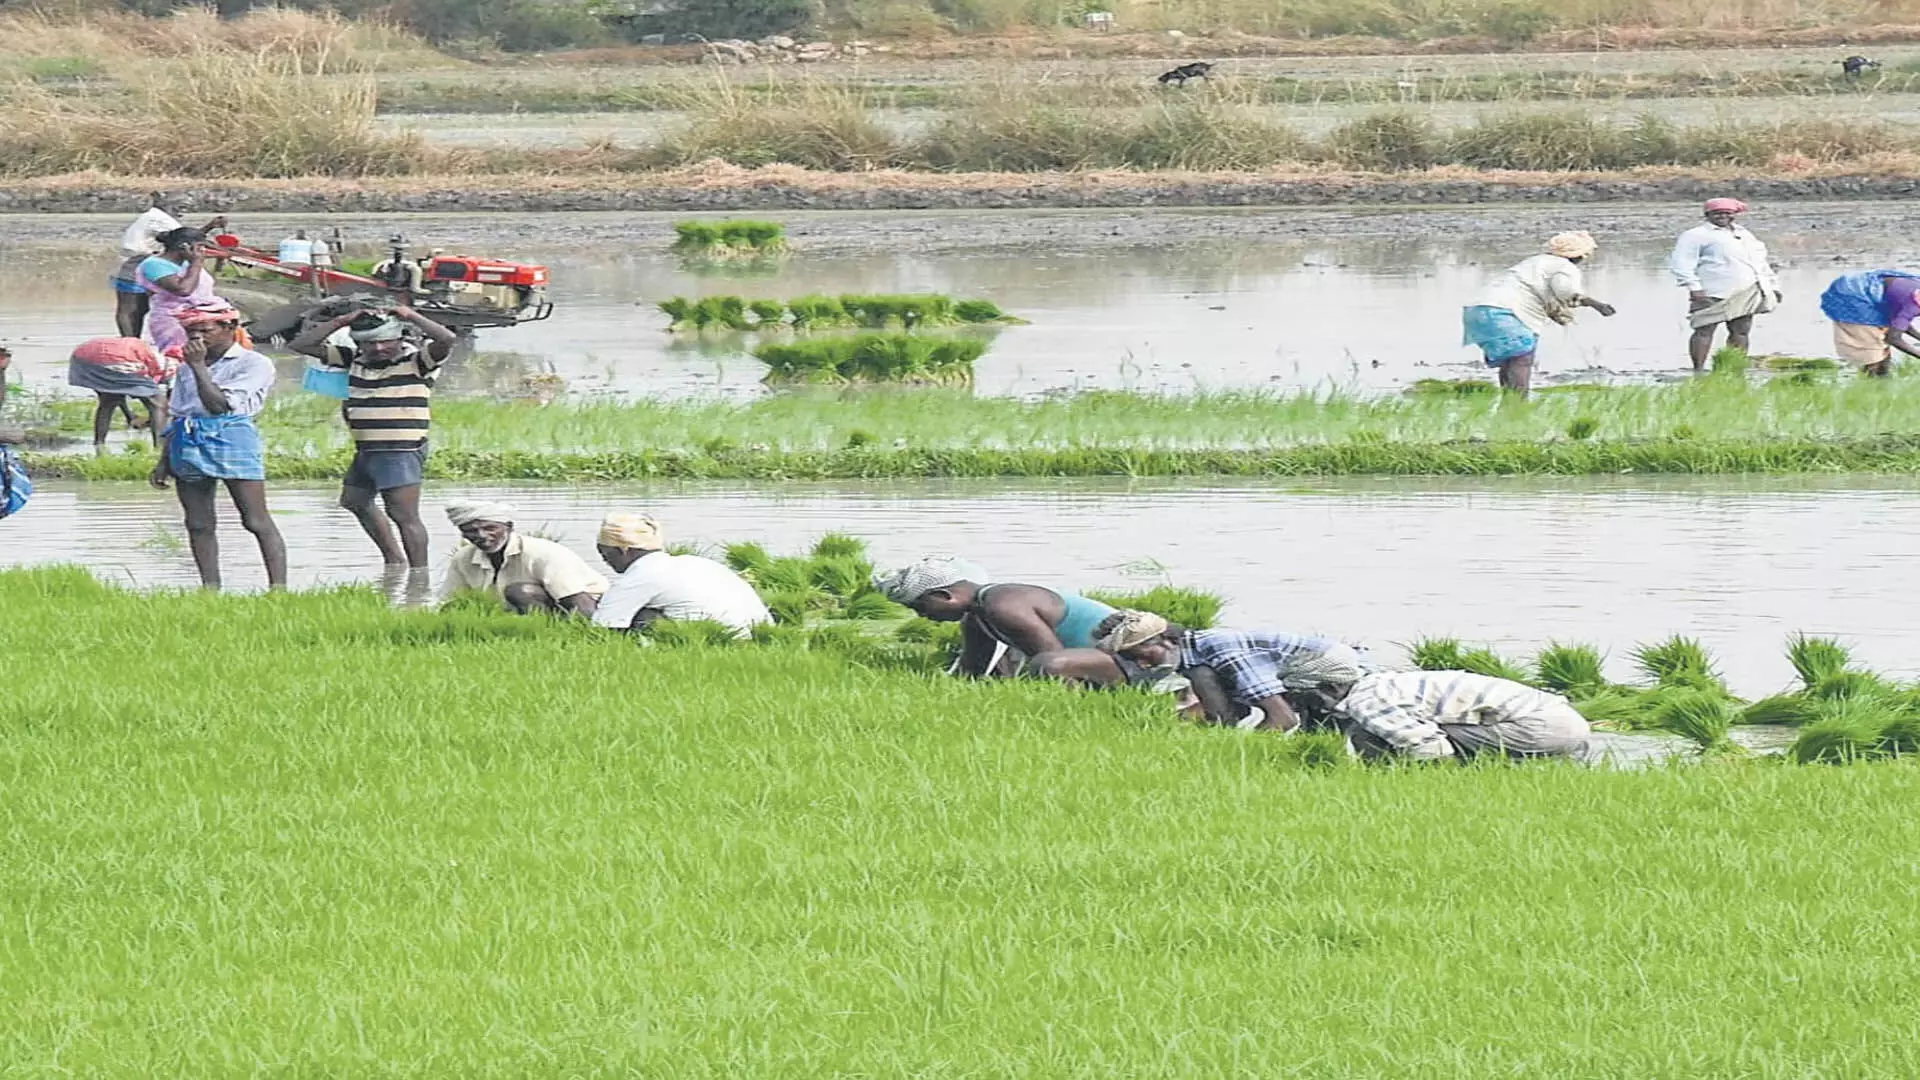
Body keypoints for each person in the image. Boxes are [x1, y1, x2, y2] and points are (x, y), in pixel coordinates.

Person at [289, 306, 458, 569]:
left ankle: (419, 575)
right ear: (359, 343)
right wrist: (343, 320)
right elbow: (301, 344)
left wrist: (411, 315)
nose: (378, 348)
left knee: (403, 514)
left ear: (400, 338)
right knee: (354, 501)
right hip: (367, 450)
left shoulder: (417, 362)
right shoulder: (354, 359)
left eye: (385, 341)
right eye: (370, 343)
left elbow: (446, 339)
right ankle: (394, 560)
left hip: (400, 450)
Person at [147, 303, 286, 591]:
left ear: (230, 329)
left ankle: (278, 588)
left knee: (255, 519)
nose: (197, 338)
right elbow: (179, 413)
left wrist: (198, 368)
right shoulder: (186, 368)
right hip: (187, 437)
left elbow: (220, 406)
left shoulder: (253, 363)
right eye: (190, 331)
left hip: (232, 436)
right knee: (197, 522)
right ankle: (210, 588)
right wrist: (164, 460)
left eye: (205, 330)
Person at [1094, 609, 1366, 730]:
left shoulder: (1219, 648)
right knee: (1199, 674)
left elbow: (1282, 719)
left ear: (1165, 640)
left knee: (1289, 716)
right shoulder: (1193, 659)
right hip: (1298, 673)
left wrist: (1243, 756)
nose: (1142, 664)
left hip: (1330, 665)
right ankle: (1226, 727)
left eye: (1139, 654)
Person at [873, 555, 1124, 680]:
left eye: (921, 607)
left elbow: (1057, 663)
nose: (923, 616)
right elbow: (972, 671)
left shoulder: (1003, 606)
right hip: (1097, 662)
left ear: (944, 595)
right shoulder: (978, 617)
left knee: (1047, 665)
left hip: (1135, 659)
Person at [1461, 231, 1617, 396]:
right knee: (1522, 360)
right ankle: (1519, 404)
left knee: (1510, 361)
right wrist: (1597, 305)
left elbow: (1540, 293)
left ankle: (1509, 404)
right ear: (1580, 255)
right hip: (1505, 312)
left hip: (1477, 310)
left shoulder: (1534, 262)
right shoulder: (1564, 267)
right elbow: (1565, 291)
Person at [1334, 669, 1591, 762]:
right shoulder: (1384, 680)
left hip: (1541, 727)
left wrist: (1422, 786)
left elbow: (1431, 745)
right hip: (1568, 718)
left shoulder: (1365, 701)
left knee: (1365, 731)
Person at [590, 513, 772, 637]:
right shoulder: (698, 563)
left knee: (641, 616)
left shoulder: (637, 578)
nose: (604, 560)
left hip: (709, 640)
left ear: (623, 551)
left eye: (604, 553)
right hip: (756, 635)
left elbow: (604, 627)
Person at [440, 500, 608, 616]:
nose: (482, 536)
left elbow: (578, 601)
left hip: (590, 606)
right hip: (519, 611)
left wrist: (591, 634)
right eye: (471, 531)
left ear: (509, 527)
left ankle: (545, 631)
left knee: (519, 592)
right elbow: (450, 600)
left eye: (490, 528)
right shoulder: (463, 558)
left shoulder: (544, 553)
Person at [1668, 198, 1781, 371]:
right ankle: (1698, 369)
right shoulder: (1695, 235)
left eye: (1727, 213)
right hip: (1711, 291)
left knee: (1741, 331)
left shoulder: (1744, 234)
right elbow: (1681, 263)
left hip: (1746, 290)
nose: (1722, 216)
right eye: (1717, 213)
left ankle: (1734, 368)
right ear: (1707, 215)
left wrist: (1772, 286)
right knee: (1703, 330)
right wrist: (1694, 287)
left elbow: (1760, 263)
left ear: (1734, 215)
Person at [112, 194, 224, 338]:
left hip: (137, 261)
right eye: (179, 206)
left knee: (138, 308)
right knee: (131, 309)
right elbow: (185, 238)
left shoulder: (155, 217)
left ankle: (133, 342)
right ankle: (130, 341)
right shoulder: (159, 218)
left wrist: (210, 227)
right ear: (164, 205)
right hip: (137, 261)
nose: (181, 211)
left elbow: (187, 238)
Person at [137, 227, 237, 358]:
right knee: (179, 355)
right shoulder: (154, 265)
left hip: (200, 318)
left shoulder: (185, 263)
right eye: (200, 246)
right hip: (173, 319)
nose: (202, 250)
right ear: (183, 246)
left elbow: (202, 286)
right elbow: (183, 290)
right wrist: (196, 262)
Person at [68, 337, 176, 449]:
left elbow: (120, 391)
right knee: (158, 405)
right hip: (119, 358)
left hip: (82, 357)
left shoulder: (151, 354)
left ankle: (99, 444)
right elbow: (171, 405)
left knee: (108, 401)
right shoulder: (172, 369)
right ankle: (159, 446)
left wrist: (129, 416)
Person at [1819, 269, 1920, 377]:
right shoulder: (1912, 305)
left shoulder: (1915, 294)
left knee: (1883, 357)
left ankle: (1879, 382)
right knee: (1873, 352)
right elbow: (1893, 338)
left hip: (1865, 287)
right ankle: (1874, 379)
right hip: (1853, 299)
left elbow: (1899, 323)